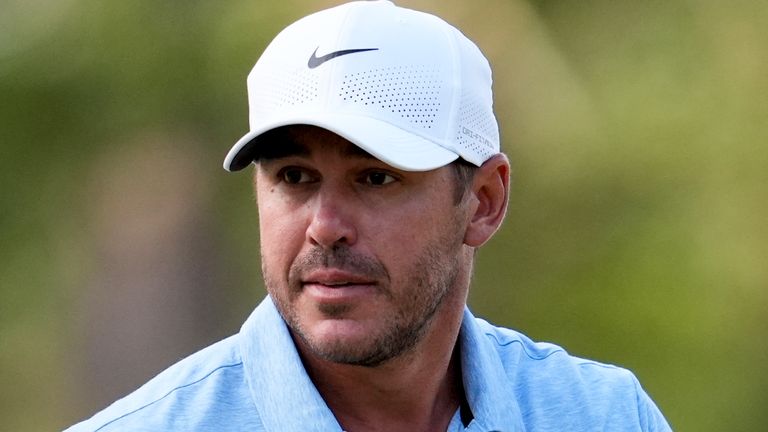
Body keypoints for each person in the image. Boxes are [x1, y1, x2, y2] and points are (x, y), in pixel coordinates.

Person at [66, 1, 672, 431]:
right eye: (294, 177)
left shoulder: (607, 416)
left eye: (375, 177)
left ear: (484, 201)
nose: (324, 226)